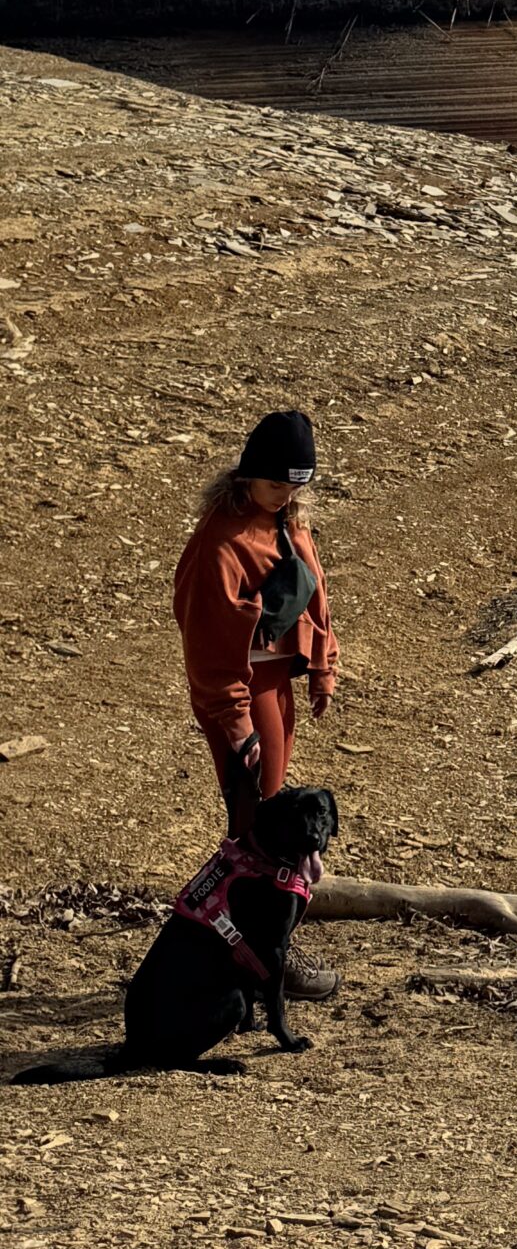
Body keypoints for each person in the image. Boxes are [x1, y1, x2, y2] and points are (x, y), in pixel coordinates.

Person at [173, 409, 341, 1000]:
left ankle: (250, 949)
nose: (287, 495)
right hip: (243, 697)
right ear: (247, 476)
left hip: (278, 688)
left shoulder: (290, 523)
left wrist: (324, 666)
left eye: (298, 485)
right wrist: (239, 727)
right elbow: (209, 649)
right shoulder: (220, 541)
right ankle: (263, 957)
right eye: (276, 484)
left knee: (266, 822)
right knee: (258, 827)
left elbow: (314, 597)